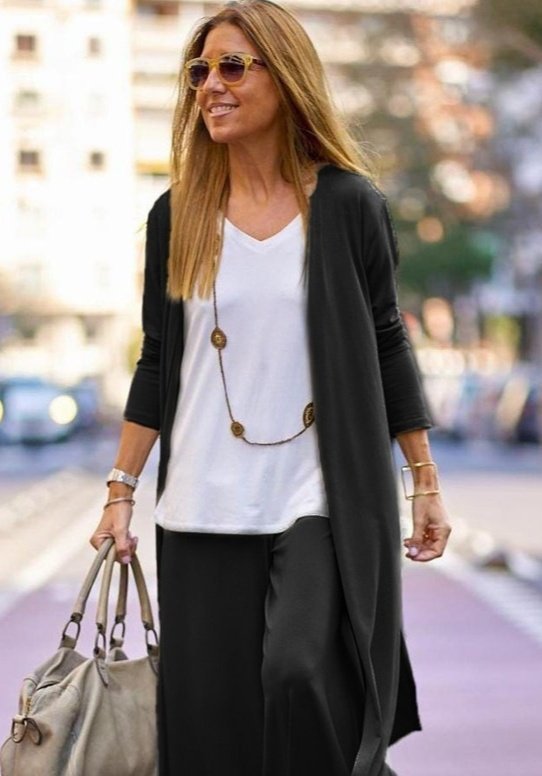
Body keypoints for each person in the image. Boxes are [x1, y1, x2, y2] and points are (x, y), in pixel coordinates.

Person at [90, 1, 452, 774]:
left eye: (231, 66)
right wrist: (122, 488)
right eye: (199, 71)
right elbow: (158, 358)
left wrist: (423, 477)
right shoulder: (178, 215)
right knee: (216, 729)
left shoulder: (349, 206)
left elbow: (388, 340)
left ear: (284, 79)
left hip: (318, 494)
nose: (209, 87)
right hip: (201, 503)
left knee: (298, 673)